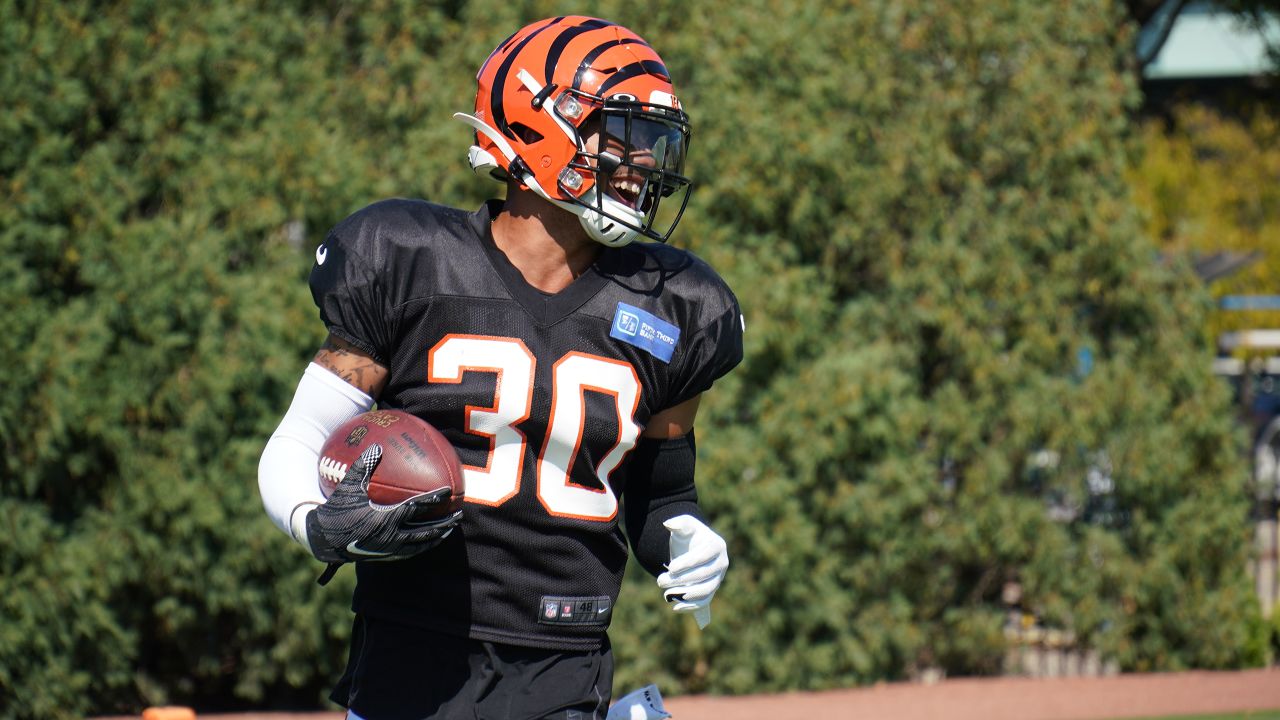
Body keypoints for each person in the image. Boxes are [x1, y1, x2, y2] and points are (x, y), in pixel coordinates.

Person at [258, 15, 743, 720]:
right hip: (410, 666)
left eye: (652, 142)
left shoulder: (676, 307)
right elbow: (301, 440)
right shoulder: (408, 257)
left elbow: (663, 496)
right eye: (624, 136)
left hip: (567, 669)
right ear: (541, 128)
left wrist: (687, 539)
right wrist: (315, 522)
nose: (645, 163)